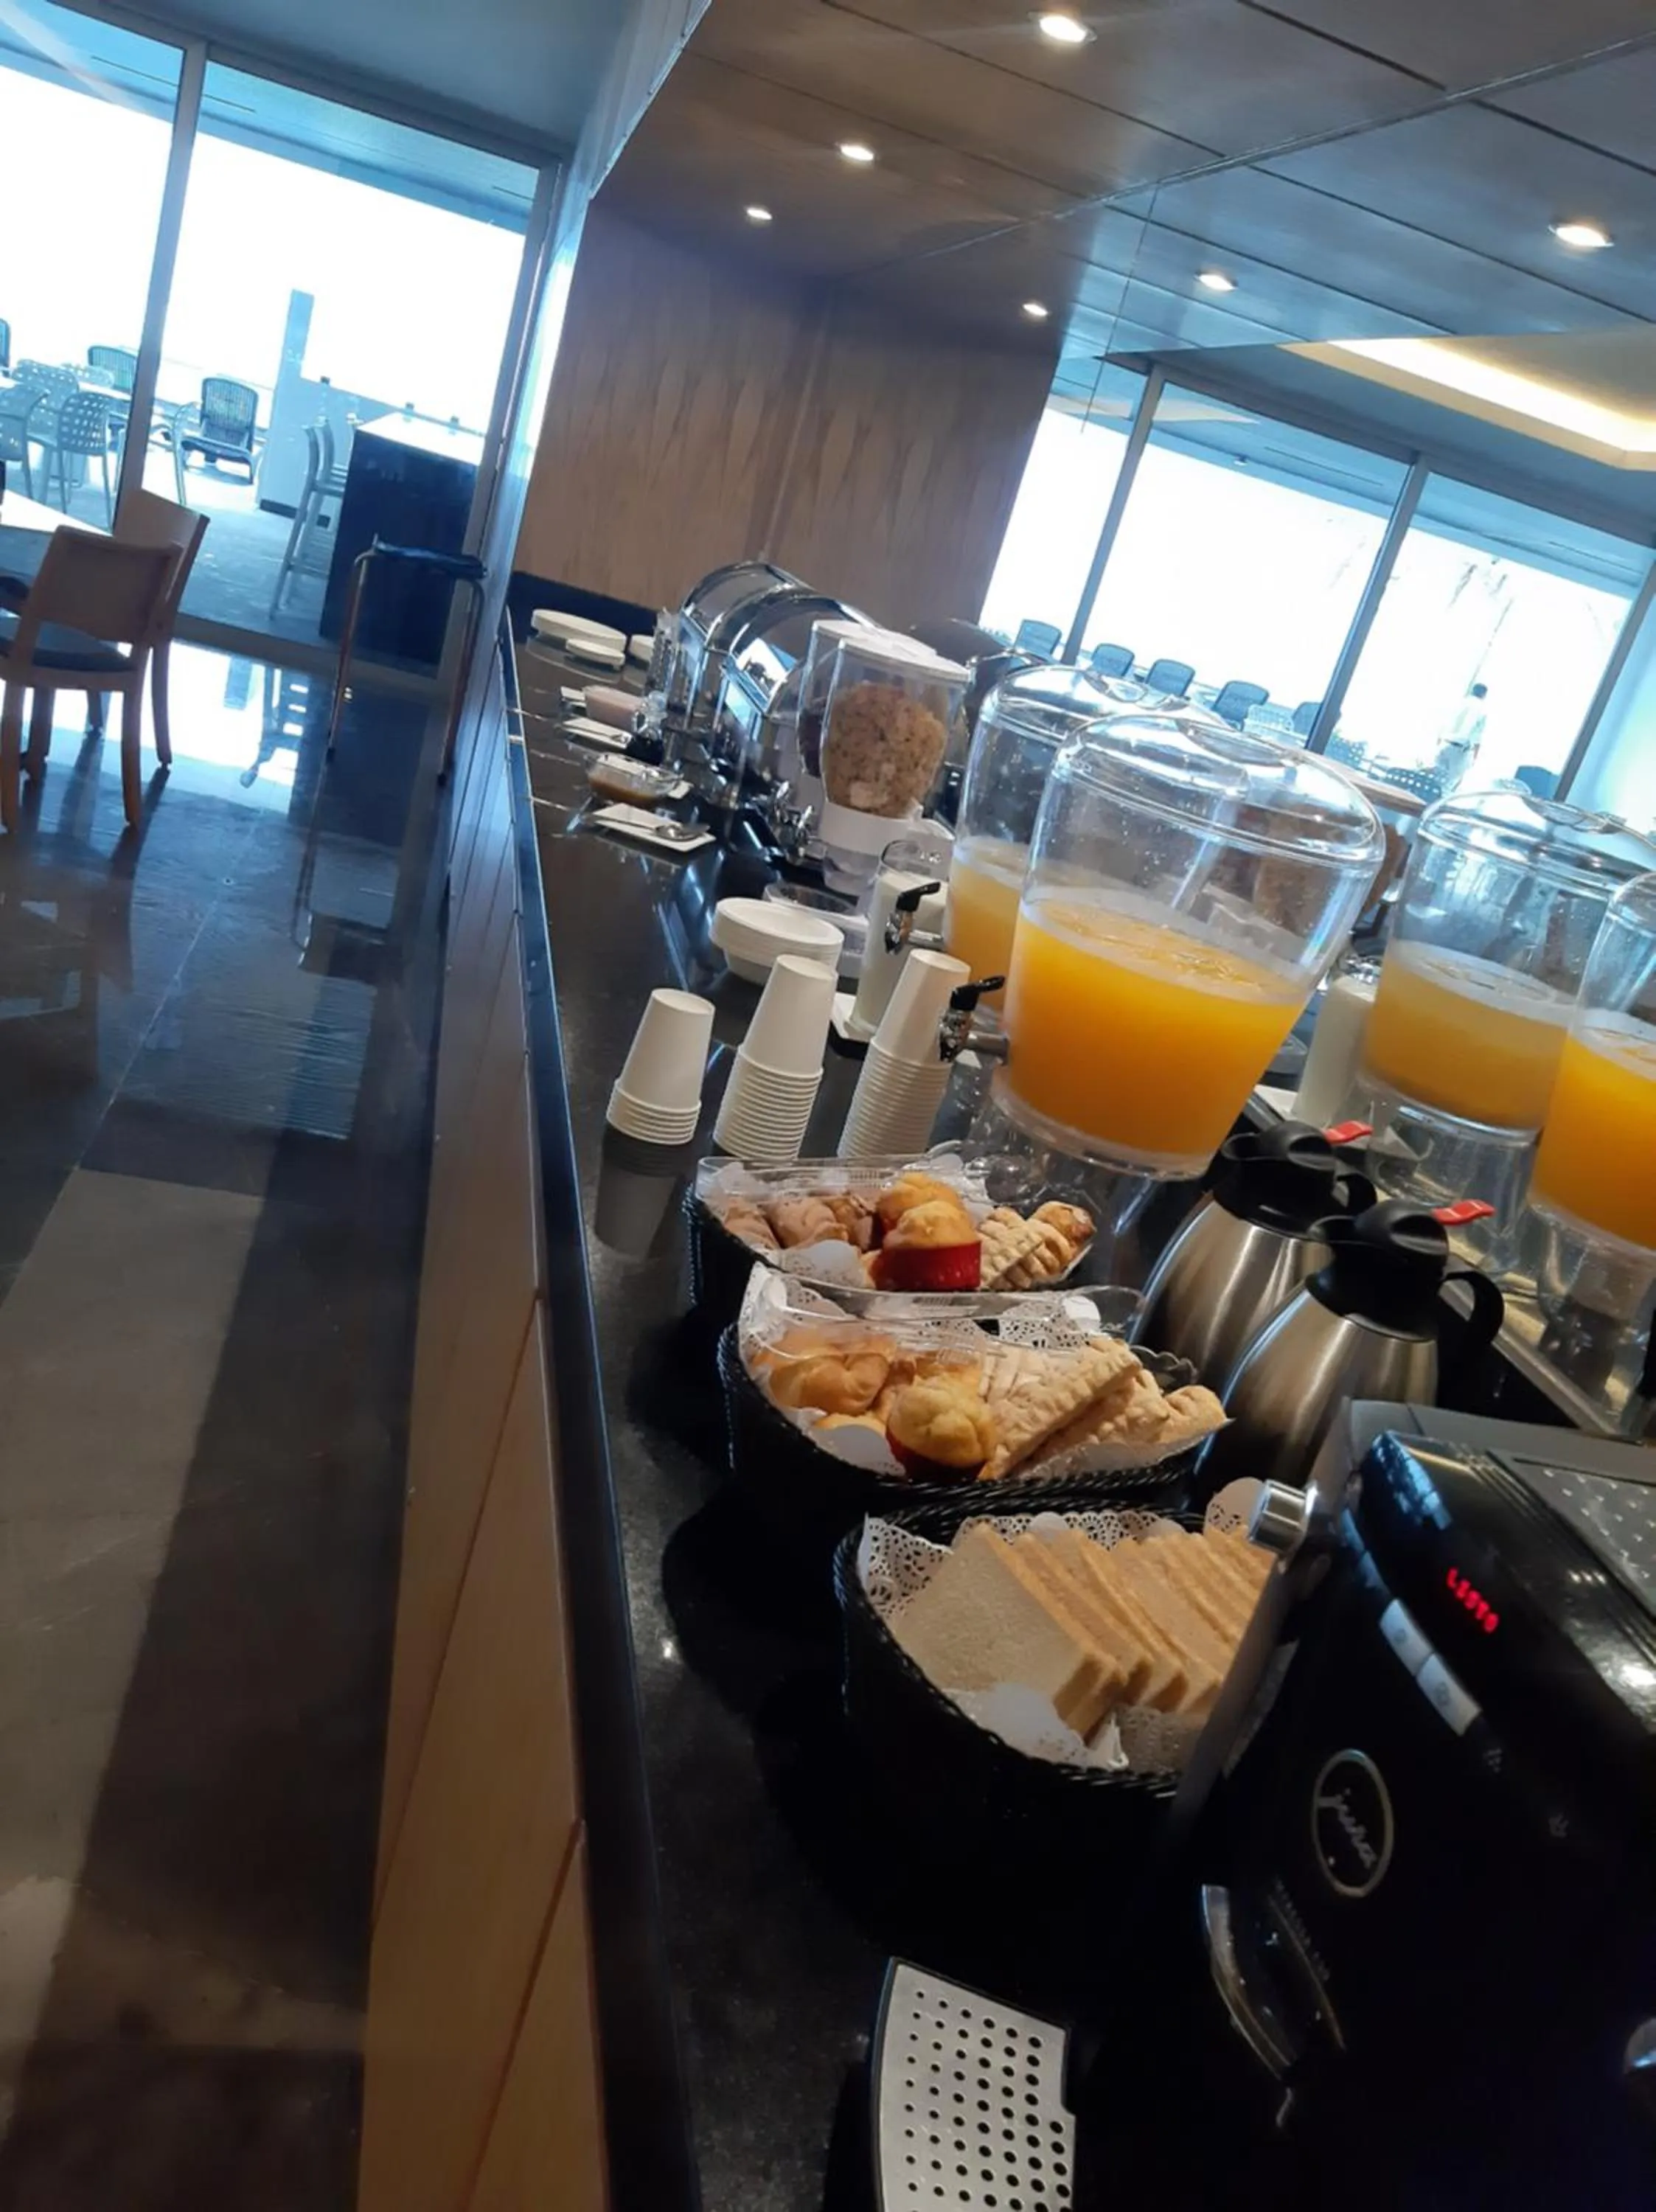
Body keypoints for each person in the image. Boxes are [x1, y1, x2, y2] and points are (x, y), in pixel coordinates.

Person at [1436, 681, 1489, 792]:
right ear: (1484, 695)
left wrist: (1438, 743)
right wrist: (1475, 757)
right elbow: (1477, 737)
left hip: (1444, 743)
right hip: (1460, 750)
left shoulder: (1458, 703)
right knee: (1448, 787)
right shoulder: (1482, 710)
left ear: (1472, 691)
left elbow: (1443, 724)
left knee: (1435, 780)